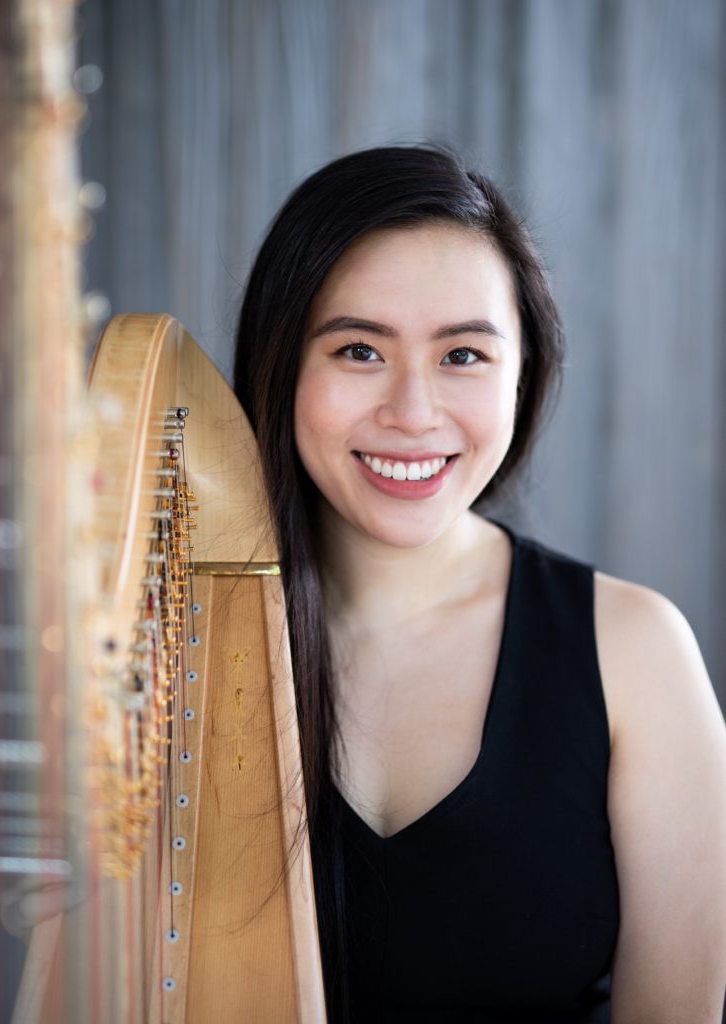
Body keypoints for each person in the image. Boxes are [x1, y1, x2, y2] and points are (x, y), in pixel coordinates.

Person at [233, 146, 726, 1023]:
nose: (414, 412)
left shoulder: (636, 654)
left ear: (522, 373)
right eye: (357, 349)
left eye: (463, 355)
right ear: (281, 367)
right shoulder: (173, 651)